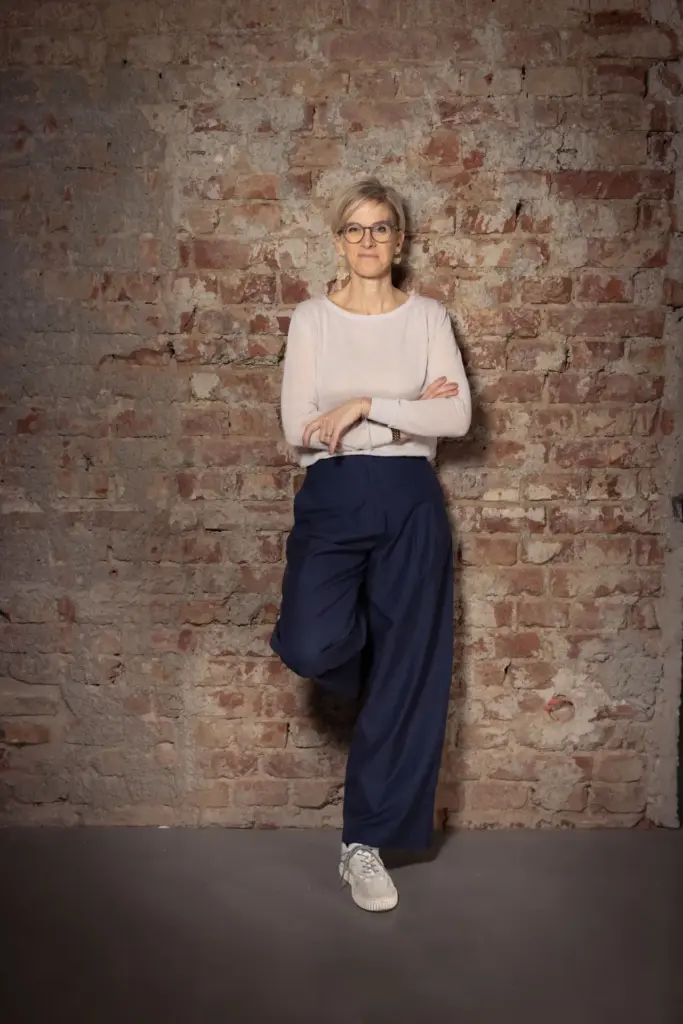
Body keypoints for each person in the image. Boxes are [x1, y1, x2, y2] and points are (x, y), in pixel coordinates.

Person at [270, 177, 472, 912]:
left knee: (409, 671)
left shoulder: (428, 317)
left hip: (411, 500)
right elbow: (298, 430)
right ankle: (370, 670)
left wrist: (359, 408)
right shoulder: (312, 320)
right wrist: (406, 413)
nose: (367, 241)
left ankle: (364, 844)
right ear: (337, 241)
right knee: (312, 640)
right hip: (333, 495)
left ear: (399, 239)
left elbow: (457, 419)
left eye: (380, 228)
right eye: (354, 229)